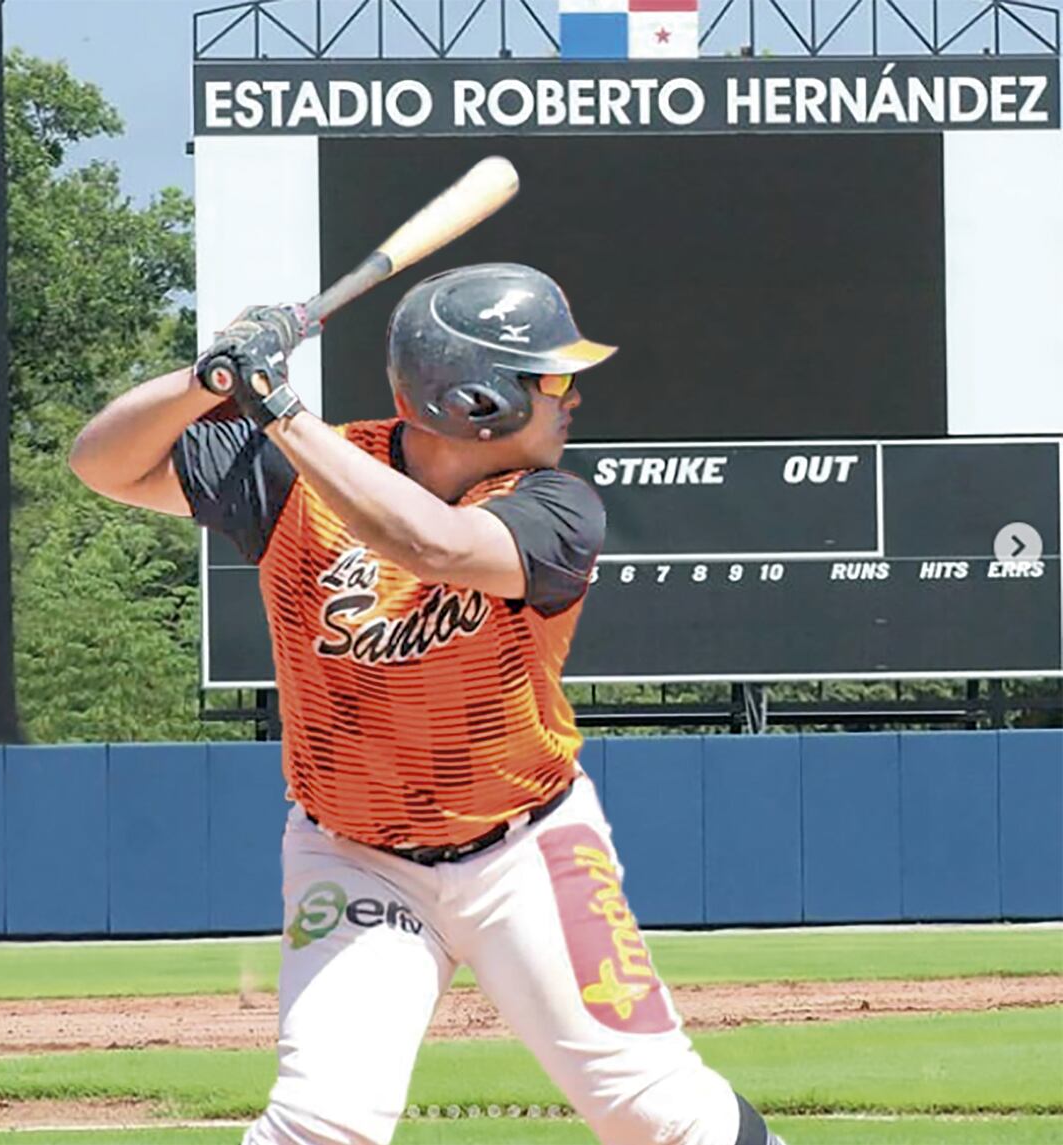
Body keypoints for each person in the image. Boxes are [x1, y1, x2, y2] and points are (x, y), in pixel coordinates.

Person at [70, 263, 786, 1145]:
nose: (572, 400)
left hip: (528, 848)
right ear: (478, 401)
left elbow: (435, 543)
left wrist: (278, 409)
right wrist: (208, 378)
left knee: (654, 1107)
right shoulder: (295, 476)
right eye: (552, 380)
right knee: (320, 1122)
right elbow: (100, 462)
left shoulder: (556, 505)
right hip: (353, 855)